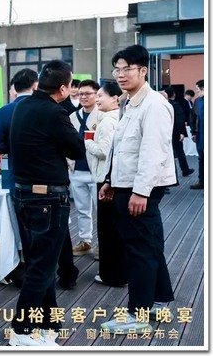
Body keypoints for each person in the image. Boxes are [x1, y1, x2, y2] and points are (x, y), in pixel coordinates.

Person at [8, 60, 85, 346]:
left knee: (39, 260)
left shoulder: (22, 106)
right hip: (47, 198)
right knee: (42, 266)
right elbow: (77, 149)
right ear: (63, 89)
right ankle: (22, 330)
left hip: (24, 194)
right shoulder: (54, 113)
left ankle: (47, 320)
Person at [99, 45, 176, 334]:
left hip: (141, 188)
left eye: (127, 68)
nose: (120, 74)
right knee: (149, 245)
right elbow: (121, 149)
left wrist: (141, 191)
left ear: (143, 70)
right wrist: (110, 180)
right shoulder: (129, 102)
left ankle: (137, 314)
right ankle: (158, 300)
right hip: (126, 185)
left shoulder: (153, 105)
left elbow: (153, 152)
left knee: (138, 251)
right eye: (117, 69)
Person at [85, 82, 127, 287]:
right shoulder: (116, 117)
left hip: (106, 179)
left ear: (115, 98)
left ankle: (111, 274)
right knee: (112, 228)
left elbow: (104, 151)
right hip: (111, 178)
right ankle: (115, 272)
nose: (97, 99)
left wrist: (87, 142)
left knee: (108, 229)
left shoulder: (109, 121)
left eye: (101, 95)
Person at [68, 80, 101, 257]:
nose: (83, 97)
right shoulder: (73, 116)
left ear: (97, 95)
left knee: (101, 211)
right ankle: (85, 241)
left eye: (88, 93)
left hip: (96, 171)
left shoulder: (103, 115)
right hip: (76, 169)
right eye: (81, 94)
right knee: (81, 209)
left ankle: (103, 244)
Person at [163, 87, 194, 179]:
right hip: (175, 132)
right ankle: (185, 170)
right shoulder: (175, 105)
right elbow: (180, 119)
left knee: (168, 153)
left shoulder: (163, 105)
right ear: (174, 94)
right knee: (179, 152)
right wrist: (182, 132)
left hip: (166, 132)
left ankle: (171, 173)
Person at [189, 80, 204, 190]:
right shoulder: (197, 101)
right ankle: (202, 181)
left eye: (198, 89)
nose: (196, 91)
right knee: (202, 158)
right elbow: (192, 117)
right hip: (200, 134)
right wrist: (193, 132)